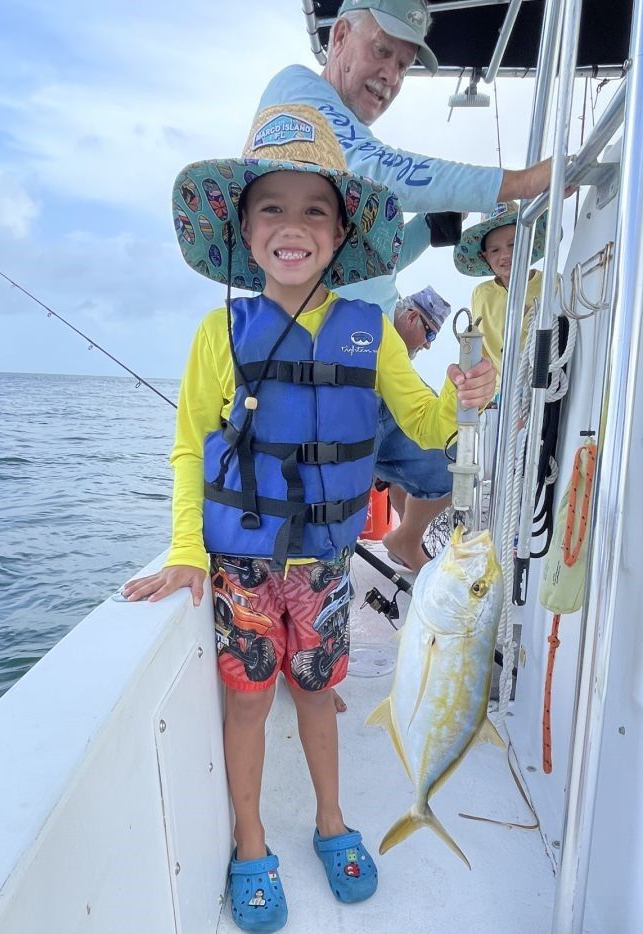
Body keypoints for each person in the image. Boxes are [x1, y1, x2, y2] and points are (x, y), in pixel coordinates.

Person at [122, 104, 495, 933]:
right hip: (243, 569)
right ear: (245, 231)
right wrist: (188, 549)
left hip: (325, 566)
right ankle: (251, 839)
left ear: (339, 233)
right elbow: (190, 450)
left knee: (319, 695)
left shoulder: (374, 335)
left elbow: (430, 429)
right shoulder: (218, 333)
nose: (293, 226)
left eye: (314, 210)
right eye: (272, 209)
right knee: (250, 704)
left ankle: (332, 821)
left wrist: (471, 394)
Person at [258, 0, 556, 316]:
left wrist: (431, 223)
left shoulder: (342, 165)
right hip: (310, 352)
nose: (391, 76)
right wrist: (522, 182)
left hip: (368, 347)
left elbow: (381, 261)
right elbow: (370, 167)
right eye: (381, 51)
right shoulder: (294, 87)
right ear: (340, 36)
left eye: (403, 65)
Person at [376, 286, 453, 572]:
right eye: (430, 333)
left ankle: (407, 539)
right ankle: (406, 539)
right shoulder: (390, 356)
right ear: (411, 318)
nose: (429, 344)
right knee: (456, 453)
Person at [453, 200, 548, 388]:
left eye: (512, 245)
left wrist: (531, 315)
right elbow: (482, 352)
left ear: (527, 242)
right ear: (485, 256)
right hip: (502, 396)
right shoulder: (481, 295)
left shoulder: (552, 283)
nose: (505, 255)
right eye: (495, 250)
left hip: (546, 385)